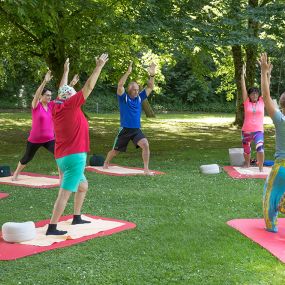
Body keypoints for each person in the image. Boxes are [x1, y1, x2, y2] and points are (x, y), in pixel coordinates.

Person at [46, 54, 109, 235]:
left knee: (83, 186)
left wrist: (66, 71)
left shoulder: (57, 106)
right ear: (71, 99)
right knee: (64, 193)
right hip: (75, 156)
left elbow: (61, 88)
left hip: (61, 156)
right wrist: (98, 67)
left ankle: (76, 217)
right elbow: (89, 86)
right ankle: (52, 227)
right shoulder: (71, 106)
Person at [103, 61, 156, 175]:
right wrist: (127, 73)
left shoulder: (140, 97)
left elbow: (150, 87)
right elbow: (120, 85)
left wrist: (152, 75)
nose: (137, 91)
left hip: (136, 130)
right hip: (125, 129)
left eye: (137, 89)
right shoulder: (124, 98)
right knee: (116, 151)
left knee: (145, 145)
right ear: (129, 89)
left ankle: (146, 169)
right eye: (134, 89)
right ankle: (106, 162)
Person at [12, 71, 54, 181]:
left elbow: (62, 96)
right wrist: (45, 81)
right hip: (35, 140)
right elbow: (36, 94)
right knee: (27, 158)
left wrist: (71, 85)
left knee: (60, 154)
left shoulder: (51, 106)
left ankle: (62, 176)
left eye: (50, 95)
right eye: (47, 95)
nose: (49, 97)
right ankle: (16, 173)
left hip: (49, 139)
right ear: (41, 95)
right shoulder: (36, 105)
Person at [261, 53, 285, 233]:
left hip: (281, 167)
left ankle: (271, 225)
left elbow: (266, 96)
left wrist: (263, 73)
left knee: (271, 195)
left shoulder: (280, 120)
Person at [241, 63, 268, 172]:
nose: (255, 95)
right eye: (252, 94)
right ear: (249, 95)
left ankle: (260, 168)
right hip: (246, 131)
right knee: (247, 150)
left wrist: (266, 74)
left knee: (260, 149)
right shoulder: (246, 102)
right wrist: (242, 77)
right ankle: (247, 164)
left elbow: (266, 88)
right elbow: (243, 89)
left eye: (256, 93)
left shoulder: (262, 101)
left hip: (258, 131)